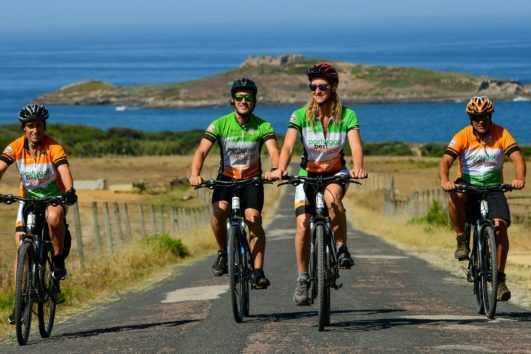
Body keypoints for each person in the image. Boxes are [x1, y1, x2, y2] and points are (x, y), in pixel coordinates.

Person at [270, 63, 367, 305]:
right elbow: (289, 146)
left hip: (336, 173)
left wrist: (358, 166)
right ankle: (303, 279)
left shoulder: (347, 115)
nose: (317, 90)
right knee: (303, 225)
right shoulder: (300, 115)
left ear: (332, 87)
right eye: (313, 86)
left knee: (332, 200)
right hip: (308, 175)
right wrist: (281, 168)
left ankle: (342, 248)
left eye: (322, 86)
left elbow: (355, 145)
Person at [189, 78, 279, 288]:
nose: (244, 101)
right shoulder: (220, 124)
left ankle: (257, 271)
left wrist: (275, 170)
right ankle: (223, 252)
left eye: (248, 98)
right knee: (219, 213)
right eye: (239, 97)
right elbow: (201, 150)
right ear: (233, 100)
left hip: (251, 179)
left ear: (254, 101)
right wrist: (195, 174)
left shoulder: (263, 125)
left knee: (253, 218)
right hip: (226, 179)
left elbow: (274, 151)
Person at [438, 96, 526, 302]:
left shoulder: (501, 133)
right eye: (476, 117)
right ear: (470, 118)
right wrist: (445, 180)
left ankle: (499, 279)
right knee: (455, 195)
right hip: (468, 187)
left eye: (485, 116)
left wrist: (519, 178)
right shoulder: (462, 136)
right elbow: (445, 161)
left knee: (499, 228)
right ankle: (462, 240)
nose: (481, 120)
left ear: (490, 115)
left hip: (494, 188)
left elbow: (517, 157)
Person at [0, 104, 77, 324]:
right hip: (28, 201)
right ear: (24, 128)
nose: (36, 130)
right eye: (31, 126)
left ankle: (58, 261)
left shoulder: (54, 147)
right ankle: (20, 304)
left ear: (44, 126)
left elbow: (64, 170)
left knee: (54, 218)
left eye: (39, 125)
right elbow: (1, 167)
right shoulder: (15, 147)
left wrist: (70, 191)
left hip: (54, 198)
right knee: (20, 248)